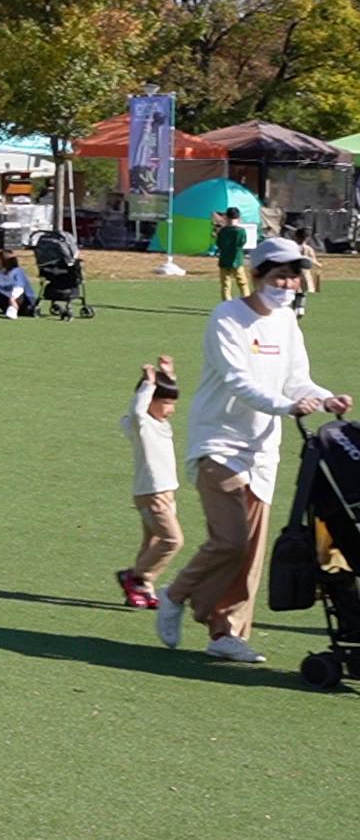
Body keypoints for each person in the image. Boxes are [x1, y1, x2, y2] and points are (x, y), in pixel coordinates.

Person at [155, 237, 353, 663]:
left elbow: (297, 380)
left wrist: (326, 397)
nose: (288, 283)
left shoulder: (286, 322)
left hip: (263, 448)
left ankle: (227, 633)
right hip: (218, 443)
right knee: (231, 539)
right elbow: (237, 381)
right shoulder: (227, 318)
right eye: (280, 274)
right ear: (258, 273)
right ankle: (175, 595)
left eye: (294, 275)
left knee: (253, 548)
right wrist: (287, 406)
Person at [117, 356, 183, 609]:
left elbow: (165, 396)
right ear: (150, 401)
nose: (171, 409)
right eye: (165, 403)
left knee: (152, 543)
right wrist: (149, 384)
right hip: (151, 493)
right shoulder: (142, 424)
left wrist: (170, 376)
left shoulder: (159, 423)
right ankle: (135, 577)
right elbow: (137, 410)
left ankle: (143, 589)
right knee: (172, 541)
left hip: (166, 492)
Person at [215, 206, 249, 300]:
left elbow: (219, 244)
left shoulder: (222, 231)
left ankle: (227, 304)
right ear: (238, 218)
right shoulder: (241, 231)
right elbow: (242, 243)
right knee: (242, 283)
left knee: (226, 285)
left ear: (226, 218)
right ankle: (247, 302)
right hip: (237, 260)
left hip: (224, 260)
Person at [289, 227, 317, 317]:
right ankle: (300, 307)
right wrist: (319, 264)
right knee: (303, 292)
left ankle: (294, 308)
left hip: (293, 273)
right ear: (307, 238)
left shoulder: (292, 247)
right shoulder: (308, 249)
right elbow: (313, 260)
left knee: (293, 291)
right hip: (305, 274)